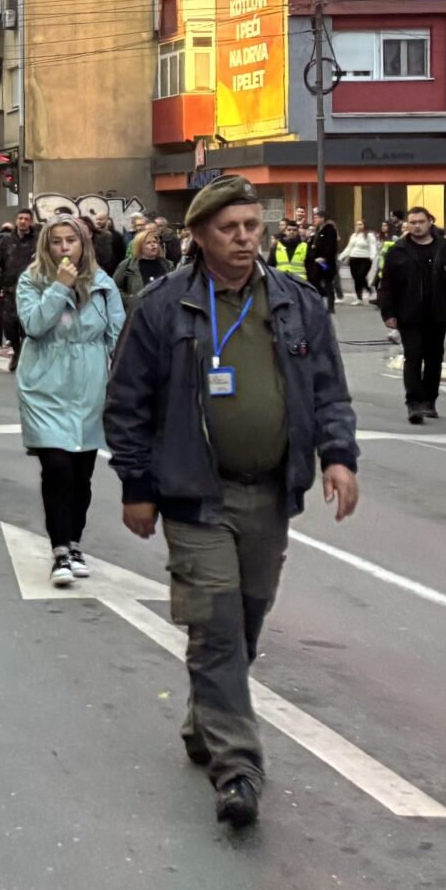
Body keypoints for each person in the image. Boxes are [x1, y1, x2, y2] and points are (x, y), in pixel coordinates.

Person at [103, 175, 361, 829]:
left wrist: (338, 456)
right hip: (194, 493)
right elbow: (127, 403)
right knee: (215, 625)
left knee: (243, 625)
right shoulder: (165, 307)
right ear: (198, 236)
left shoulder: (297, 303)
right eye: (230, 228)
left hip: (271, 492)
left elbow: (328, 389)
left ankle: (206, 721)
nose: (246, 238)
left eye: (253, 226)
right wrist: (137, 486)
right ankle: (239, 768)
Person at [15, 217, 124, 587]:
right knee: (57, 466)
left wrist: (121, 383)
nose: (64, 248)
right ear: (46, 246)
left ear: (84, 245)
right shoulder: (32, 280)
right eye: (56, 242)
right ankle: (60, 550)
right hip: (45, 382)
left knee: (81, 473)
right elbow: (34, 325)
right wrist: (60, 287)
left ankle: (75, 543)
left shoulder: (104, 283)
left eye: (71, 242)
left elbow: (117, 334)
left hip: (90, 383)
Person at [379, 207, 446, 425]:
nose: (416, 226)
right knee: (413, 355)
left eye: (420, 221)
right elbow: (386, 285)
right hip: (409, 315)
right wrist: (388, 313)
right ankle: (414, 403)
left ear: (430, 222)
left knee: (434, 358)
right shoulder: (398, 250)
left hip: (438, 314)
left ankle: (429, 400)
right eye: (412, 222)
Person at [0, 211, 40, 371]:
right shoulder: (6, 241)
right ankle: (17, 349)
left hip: (31, 289)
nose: (23, 222)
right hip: (9, 289)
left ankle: (25, 355)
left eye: (26, 219)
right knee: (9, 324)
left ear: (31, 222)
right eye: (20, 218)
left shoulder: (37, 241)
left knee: (26, 324)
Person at [308, 216, 342, 308]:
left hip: (325, 263)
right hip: (316, 261)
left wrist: (325, 257)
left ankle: (330, 305)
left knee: (327, 281)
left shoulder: (329, 230)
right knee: (315, 280)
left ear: (322, 219)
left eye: (316, 218)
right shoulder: (317, 230)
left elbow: (331, 246)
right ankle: (319, 300)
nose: (314, 220)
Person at [343, 221, 380, 303]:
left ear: (364, 226)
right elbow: (349, 247)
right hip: (353, 259)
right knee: (356, 278)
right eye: (357, 224)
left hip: (365, 259)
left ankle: (363, 294)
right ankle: (363, 294)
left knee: (360, 276)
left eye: (360, 224)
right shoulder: (354, 235)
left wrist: (372, 257)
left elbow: (373, 247)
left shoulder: (369, 235)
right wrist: (342, 256)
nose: (358, 226)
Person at [89, 210, 128, 276]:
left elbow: (122, 254)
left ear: (107, 220)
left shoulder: (116, 236)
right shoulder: (92, 235)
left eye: (101, 219)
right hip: (96, 270)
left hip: (113, 271)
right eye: (97, 219)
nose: (98, 221)